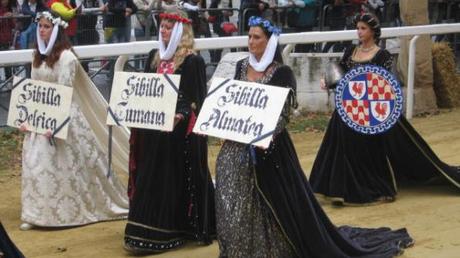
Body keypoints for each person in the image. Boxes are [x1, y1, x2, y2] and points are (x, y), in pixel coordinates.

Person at [215, 16, 414, 257]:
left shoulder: (282, 72)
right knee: (238, 198)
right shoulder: (241, 66)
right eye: (249, 36)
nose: (251, 41)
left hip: (270, 149)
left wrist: (261, 138)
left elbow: (282, 115)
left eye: (257, 37)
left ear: (269, 42)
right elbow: (233, 101)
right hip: (238, 145)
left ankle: (273, 246)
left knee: (276, 203)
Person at [309, 12, 460, 205]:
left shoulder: (383, 56)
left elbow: (385, 85)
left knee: (362, 146)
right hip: (348, 109)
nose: (359, 32)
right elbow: (339, 74)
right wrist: (326, 80)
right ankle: (337, 187)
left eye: (363, 28)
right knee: (339, 140)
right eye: (358, 28)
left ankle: (369, 187)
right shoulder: (350, 52)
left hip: (371, 112)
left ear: (373, 32)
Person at [19, 11, 129, 231]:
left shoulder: (67, 57)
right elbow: (33, 88)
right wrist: (27, 116)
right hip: (40, 116)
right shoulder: (37, 55)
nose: (42, 30)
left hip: (63, 117)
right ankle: (35, 214)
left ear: (56, 30)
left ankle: (64, 214)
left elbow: (65, 92)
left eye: (47, 27)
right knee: (35, 163)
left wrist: (54, 123)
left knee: (62, 164)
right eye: (40, 26)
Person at [124, 11, 215, 254]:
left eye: (167, 28)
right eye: (162, 27)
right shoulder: (154, 57)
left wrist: (182, 114)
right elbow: (145, 89)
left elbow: (196, 97)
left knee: (170, 176)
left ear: (179, 32)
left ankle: (171, 228)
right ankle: (143, 227)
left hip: (176, 133)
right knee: (149, 174)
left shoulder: (192, 61)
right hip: (153, 128)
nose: (163, 31)